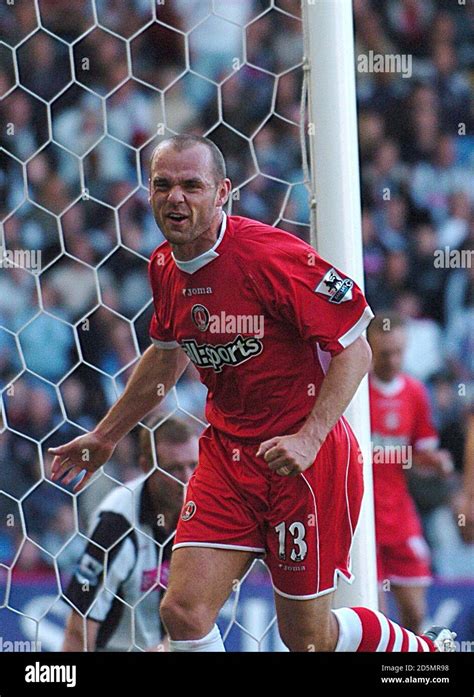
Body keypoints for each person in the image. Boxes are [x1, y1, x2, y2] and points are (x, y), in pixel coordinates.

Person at [49, 134, 456, 652]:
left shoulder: (271, 256)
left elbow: (356, 348)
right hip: (227, 456)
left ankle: (427, 653)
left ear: (223, 193)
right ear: (147, 194)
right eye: (163, 185)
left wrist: (308, 439)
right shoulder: (163, 267)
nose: (176, 197)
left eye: (191, 186)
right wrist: (107, 435)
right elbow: (168, 353)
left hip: (303, 463)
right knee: (183, 612)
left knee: (306, 638)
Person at [61, 417, 198, 651]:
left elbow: (200, 608)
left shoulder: (200, 511)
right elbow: (78, 630)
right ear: (146, 466)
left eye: (193, 466)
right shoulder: (116, 525)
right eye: (174, 468)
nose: (186, 479)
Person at [367, 313, 454, 633]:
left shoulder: (415, 393)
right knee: (374, 614)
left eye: (399, 352)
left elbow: (421, 453)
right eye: (385, 353)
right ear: (370, 348)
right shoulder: (356, 390)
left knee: (416, 613)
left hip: (398, 512)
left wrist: (437, 463)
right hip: (362, 517)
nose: (392, 360)